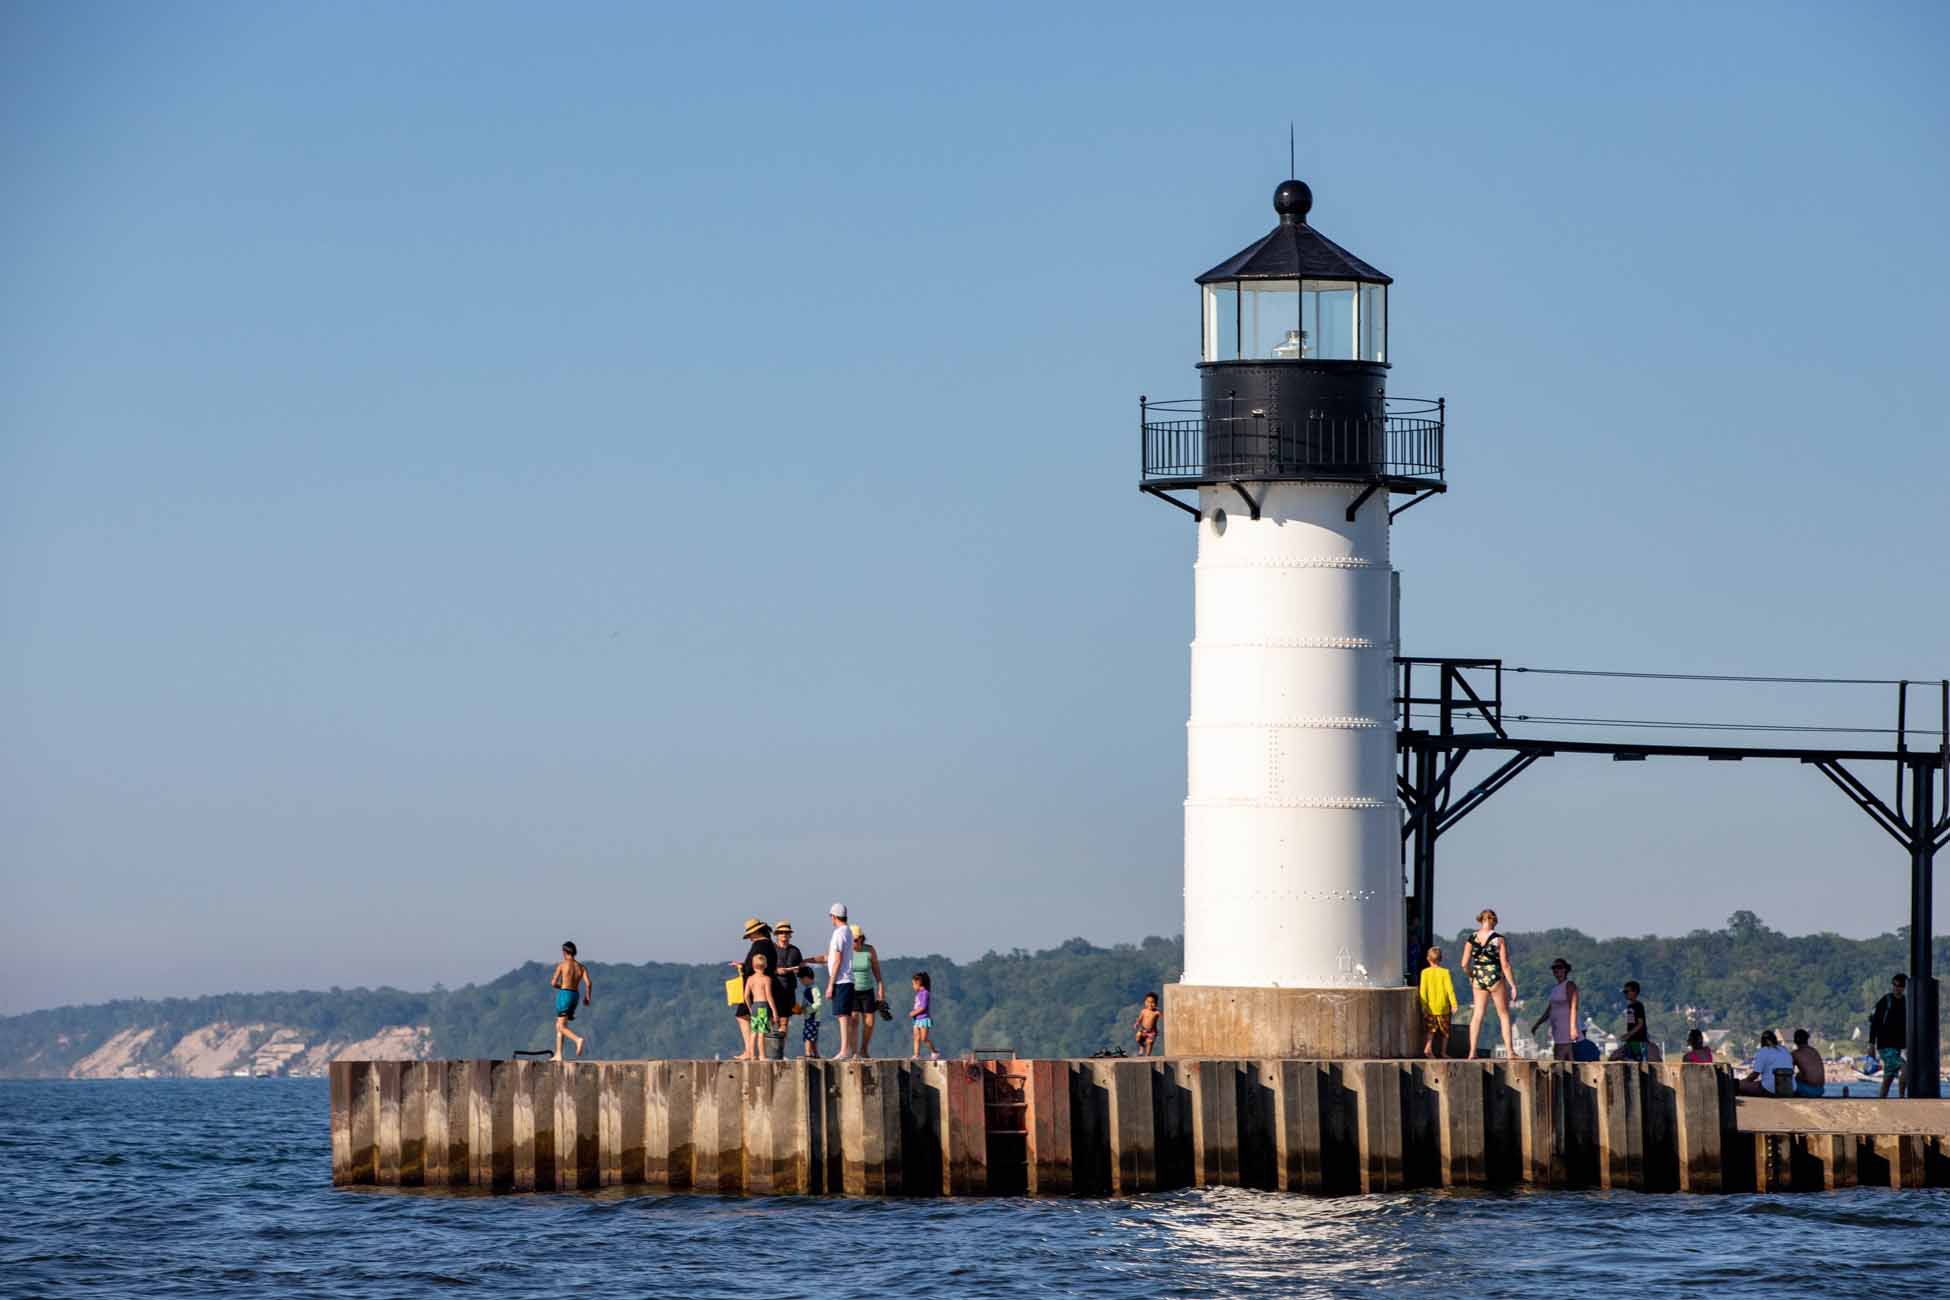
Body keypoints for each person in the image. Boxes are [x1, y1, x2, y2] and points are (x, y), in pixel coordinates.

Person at [1462, 909, 1517, 1059]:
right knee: (1504, 1015)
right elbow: (1505, 965)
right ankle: (1510, 1052)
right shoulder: (1499, 939)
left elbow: (1464, 964)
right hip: (1495, 976)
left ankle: (1472, 1052)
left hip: (1478, 977)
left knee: (1477, 1015)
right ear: (1494, 921)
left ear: (1481, 920)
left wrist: (1471, 975)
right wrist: (1512, 985)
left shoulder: (1471, 938)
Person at [807, 903, 857, 1060]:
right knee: (844, 1015)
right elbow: (828, 958)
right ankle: (848, 1049)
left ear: (834, 917)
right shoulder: (848, 931)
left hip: (841, 980)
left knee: (842, 1016)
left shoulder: (839, 933)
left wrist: (830, 984)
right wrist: (806, 961)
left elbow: (837, 960)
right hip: (846, 979)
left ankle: (844, 1050)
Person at [727, 918, 779, 1060]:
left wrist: (743, 967)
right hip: (766, 984)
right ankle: (752, 1052)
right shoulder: (769, 944)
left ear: (756, 932)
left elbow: (752, 967)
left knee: (743, 1016)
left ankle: (750, 1052)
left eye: (750, 934)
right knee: (757, 1025)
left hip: (755, 989)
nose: (750, 937)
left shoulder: (759, 945)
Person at [1531, 957, 1581, 1061]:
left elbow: (1573, 1006)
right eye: (1554, 968)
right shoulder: (1555, 989)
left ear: (1565, 969)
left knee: (1569, 1061)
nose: (1556, 970)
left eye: (1559, 967)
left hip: (1567, 1030)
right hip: (1557, 1031)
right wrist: (1537, 1024)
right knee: (1558, 1059)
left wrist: (1573, 1028)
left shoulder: (1569, 985)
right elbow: (1549, 1010)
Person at [550, 941, 592, 1062]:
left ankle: (577, 1040)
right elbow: (588, 983)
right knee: (560, 1024)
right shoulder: (581, 967)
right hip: (575, 995)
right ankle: (558, 1054)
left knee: (561, 1026)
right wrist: (587, 997)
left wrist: (561, 986)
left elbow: (553, 983)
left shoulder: (562, 965)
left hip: (565, 994)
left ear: (565, 952)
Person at [850, 924, 886, 1058]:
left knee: (869, 1021)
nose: (854, 942)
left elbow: (876, 969)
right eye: (851, 940)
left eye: (855, 940)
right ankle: (854, 1052)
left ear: (861, 938)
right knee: (854, 1020)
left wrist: (880, 986)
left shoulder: (869, 950)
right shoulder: (846, 951)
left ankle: (864, 1049)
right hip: (852, 989)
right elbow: (830, 960)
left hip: (867, 989)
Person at [1869, 973, 1908, 1099]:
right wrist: (1871, 1044)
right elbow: (1874, 1023)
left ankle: (1884, 1098)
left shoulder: (1906, 1002)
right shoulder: (1885, 1001)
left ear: (1904, 987)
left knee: (1890, 1076)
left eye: (1900, 985)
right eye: (1894, 985)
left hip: (1899, 1046)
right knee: (1903, 1068)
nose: (1896, 988)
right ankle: (1900, 1097)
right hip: (1885, 1045)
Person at [1418, 947, 1458, 1059]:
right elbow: (1450, 990)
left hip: (1430, 1008)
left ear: (1428, 959)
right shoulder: (1445, 972)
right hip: (1443, 1007)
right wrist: (1454, 1004)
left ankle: (1428, 1047)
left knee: (1431, 1030)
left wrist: (1423, 1006)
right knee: (1445, 1032)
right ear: (1441, 959)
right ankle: (1443, 1052)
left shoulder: (1424, 973)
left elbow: (1423, 991)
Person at [741, 952, 779, 1060]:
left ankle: (752, 1055)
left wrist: (750, 1007)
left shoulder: (750, 979)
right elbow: (769, 996)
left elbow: (746, 996)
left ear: (753, 965)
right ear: (766, 965)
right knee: (762, 1032)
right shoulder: (766, 979)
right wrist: (774, 1012)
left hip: (754, 1006)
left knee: (754, 1032)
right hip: (763, 1006)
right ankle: (762, 1055)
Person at [772, 920, 803, 1046]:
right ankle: (770, 1049)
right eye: (781, 932)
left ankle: (780, 1048)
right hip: (773, 990)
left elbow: (800, 967)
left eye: (786, 932)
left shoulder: (795, 951)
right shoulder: (771, 949)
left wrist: (797, 970)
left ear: (790, 934)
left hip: (789, 990)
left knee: (784, 1022)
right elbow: (762, 967)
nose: (784, 934)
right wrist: (776, 970)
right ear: (777, 934)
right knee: (772, 1020)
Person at [1739, 1029, 1794, 1096]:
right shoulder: (1785, 1050)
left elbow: (1755, 1074)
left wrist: (1744, 1081)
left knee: (1740, 1084)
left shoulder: (1763, 1051)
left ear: (1765, 1041)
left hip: (1771, 1090)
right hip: (1791, 1089)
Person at [1611, 980, 1649, 1062]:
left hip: (1639, 1040)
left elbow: (1640, 1024)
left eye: (1627, 991)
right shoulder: (1630, 1006)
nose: (1625, 994)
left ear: (1634, 992)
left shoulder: (1638, 1005)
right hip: (1631, 1040)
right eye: (1624, 992)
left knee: (1639, 1062)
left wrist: (1628, 1034)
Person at [909, 972, 940, 1060]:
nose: (912, 986)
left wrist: (914, 1013)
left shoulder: (925, 993)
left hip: (923, 1019)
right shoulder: (918, 994)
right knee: (916, 1037)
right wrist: (914, 1014)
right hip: (916, 1020)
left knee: (924, 1038)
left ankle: (934, 1051)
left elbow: (923, 1007)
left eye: (913, 984)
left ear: (918, 983)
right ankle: (916, 1055)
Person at [1790, 1028, 1826, 1098]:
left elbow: (1788, 1073)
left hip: (1807, 1091)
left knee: (1792, 1079)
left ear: (1795, 1040)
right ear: (1807, 1040)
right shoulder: (1814, 1051)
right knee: (1799, 1075)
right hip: (1821, 1090)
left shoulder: (1795, 1054)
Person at [798, 968, 824, 1059]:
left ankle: (808, 1053)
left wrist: (808, 1010)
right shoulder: (807, 989)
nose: (800, 981)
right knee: (813, 1036)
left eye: (801, 979)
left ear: (806, 978)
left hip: (813, 1017)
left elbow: (818, 1003)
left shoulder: (814, 989)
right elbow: (805, 1002)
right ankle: (816, 1054)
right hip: (808, 1017)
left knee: (808, 1035)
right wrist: (800, 1009)